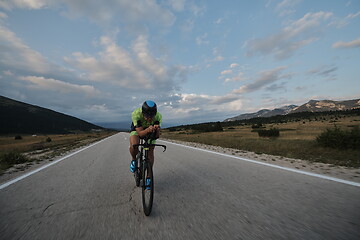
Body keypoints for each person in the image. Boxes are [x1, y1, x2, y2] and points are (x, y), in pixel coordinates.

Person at [129, 100, 162, 188]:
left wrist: (157, 130)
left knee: (151, 151)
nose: (149, 118)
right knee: (134, 144)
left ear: (155, 114)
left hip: (150, 129)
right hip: (137, 129)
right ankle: (133, 160)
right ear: (143, 113)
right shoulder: (136, 114)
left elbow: (157, 136)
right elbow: (140, 134)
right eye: (147, 116)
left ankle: (148, 177)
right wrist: (147, 130)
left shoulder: (158, 116)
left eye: (152, 116)